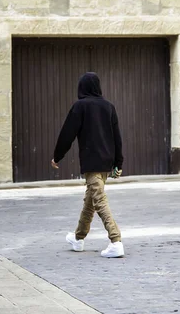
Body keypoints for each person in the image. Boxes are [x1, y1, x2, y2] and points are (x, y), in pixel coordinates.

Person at [51, 72, 125, 258]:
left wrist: (57, 157)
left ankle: (115, 241)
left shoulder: (80, 106)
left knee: (99, 200)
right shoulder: (109, 107)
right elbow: (117, 138)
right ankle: (78, 238)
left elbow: (67, 133)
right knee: (90, 201)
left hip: (91, 163)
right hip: (106, 163)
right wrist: (118, 163)